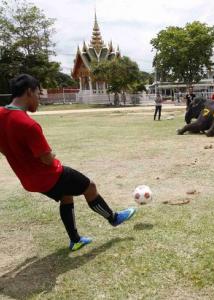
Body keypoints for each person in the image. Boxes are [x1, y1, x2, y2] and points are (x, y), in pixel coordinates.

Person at [0, 74, 137, 251]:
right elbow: (47, 159)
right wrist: (51, 153)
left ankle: (75, 240)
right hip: (49, 175)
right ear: (28, 92)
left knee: (66, 195)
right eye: (38, 93)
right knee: (90, 187)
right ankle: (113, 218)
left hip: (28, 181)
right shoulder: (28, 125)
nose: (39, 99)